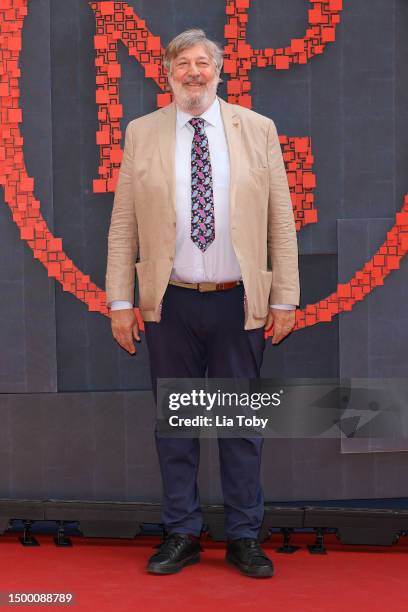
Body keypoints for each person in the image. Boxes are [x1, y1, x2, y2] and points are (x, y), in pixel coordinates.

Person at [105, 29, 300, 578]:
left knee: (240, 426)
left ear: (220, 70)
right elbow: (123, 226)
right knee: (176, 425)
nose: (194, 72)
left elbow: (280, 222)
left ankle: (243, 536)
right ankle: (182, 532)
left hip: (239, 304)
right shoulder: (142, 133)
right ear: (166, 72)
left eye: (202, 63)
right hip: (169, 306)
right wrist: (121, 301)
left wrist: (284, 297)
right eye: (183, 62)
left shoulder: (257, 129)